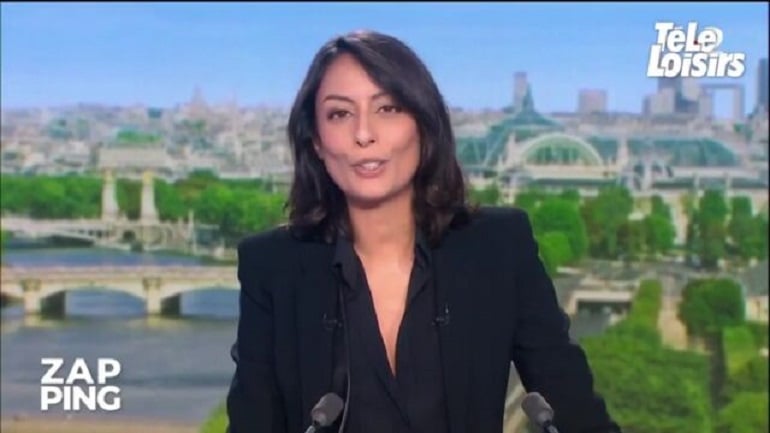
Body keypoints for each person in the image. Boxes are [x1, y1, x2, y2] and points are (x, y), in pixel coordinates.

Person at [226, 30, 621, 433]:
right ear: (316, 141)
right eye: (340, 114)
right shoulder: (272, 267)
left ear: (423, 125)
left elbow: (576, 412)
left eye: (388, 108)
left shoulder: (498, 248)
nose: (364, 134)